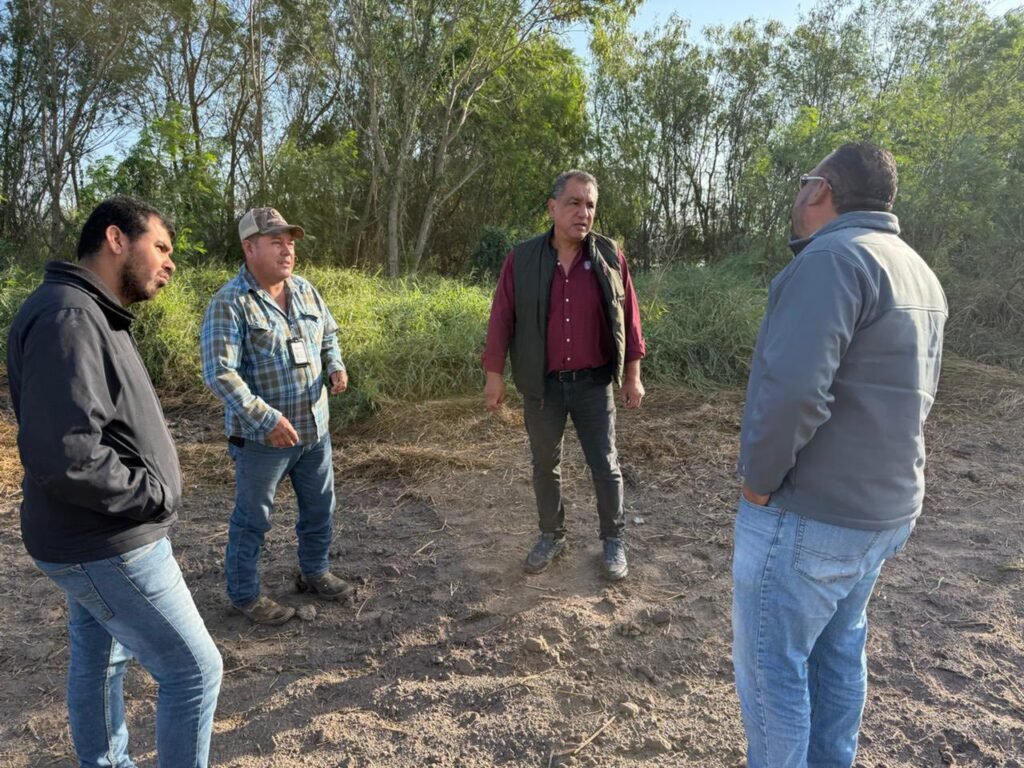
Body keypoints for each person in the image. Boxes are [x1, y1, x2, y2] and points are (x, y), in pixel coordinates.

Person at [732, 141, 947, 767]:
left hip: (810, 515)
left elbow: (796, 391)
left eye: (804, 183)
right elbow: (922, 394)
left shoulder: (831, 258)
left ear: (821, 188)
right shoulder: (917, 270)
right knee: (838, 654)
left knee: (774, 671)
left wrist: (758, 481)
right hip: (882, 514)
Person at [6, 197, 223, 767]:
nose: (170, 262)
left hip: (92, 533)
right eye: (161, 247)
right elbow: (68, 453)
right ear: (116, 239)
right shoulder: (70, 316)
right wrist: (151, 495)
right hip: (107, 541)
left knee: (101, 659)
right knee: (194, 670)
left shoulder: (90, 310)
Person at [482, 170, 646, 581]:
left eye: (590, 205)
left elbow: (629, 318)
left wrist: (633, 375)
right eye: (574, 203)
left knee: (605, 464)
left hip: (594, 384)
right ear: (552, 208)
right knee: (544, 464)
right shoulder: (522, 259)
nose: (583, 213)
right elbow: (501, 317)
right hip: (544, 386)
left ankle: (613, 540)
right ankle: (551, 535)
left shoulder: (609, 256)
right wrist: (493, 374)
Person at [201, 207, 352, 625]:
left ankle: (314, 572)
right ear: (250, 248)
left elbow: (329, 335)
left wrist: (335, 364)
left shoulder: (305, 290)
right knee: (254, 519)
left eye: (290, 243)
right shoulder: (230, 303)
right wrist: (267, 420)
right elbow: (219, 373)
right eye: (276, 242)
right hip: (262, 440)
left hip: (314, 431)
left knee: (320, 508)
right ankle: (245, 595)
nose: (288, 251)